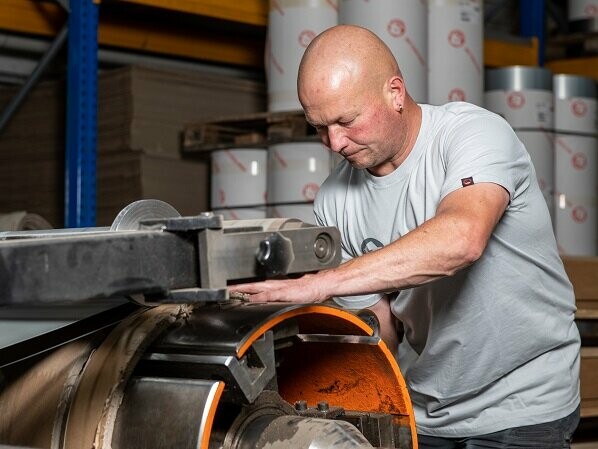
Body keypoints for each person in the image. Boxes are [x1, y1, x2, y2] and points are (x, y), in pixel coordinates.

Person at [233, 25, 580, 448]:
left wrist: (319, 283)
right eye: (319, 127)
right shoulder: (334, 200)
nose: (335, 143)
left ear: (395, 93)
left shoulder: (473, 135)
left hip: (522, 401)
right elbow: (381, 328)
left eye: (347, 120)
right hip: (428, 408)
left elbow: (462, 240)